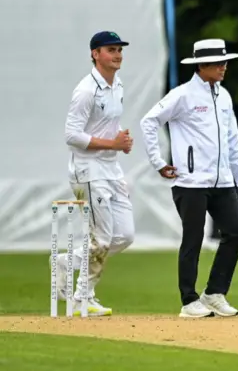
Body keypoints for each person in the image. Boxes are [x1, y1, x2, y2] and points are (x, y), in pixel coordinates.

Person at [140, 38, 238, 319]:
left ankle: (214, 293)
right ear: (202, 66)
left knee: (235, 232)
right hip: (190, 182)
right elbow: (149, 121)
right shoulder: (182, 95)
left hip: (223, 181)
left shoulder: (223, 96)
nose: (224, 67)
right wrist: (158, 162)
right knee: (193, 239)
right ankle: (189, 300)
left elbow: (232, 139)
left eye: (225, 61)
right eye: (219, 62)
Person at [59, 30, 135, 316]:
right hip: (88, 171)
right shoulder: (85, 90)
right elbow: (71, 135)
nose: (117, 55)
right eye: (110, 50)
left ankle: (69, 263)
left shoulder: (118, 85)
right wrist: (111, 143)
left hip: (111, 168)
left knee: (125, 235)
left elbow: (104, 127)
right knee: (101, 239)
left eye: (119, 50)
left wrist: (120, 141)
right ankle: (83, 297)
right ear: (95, 54)